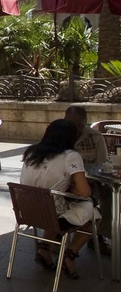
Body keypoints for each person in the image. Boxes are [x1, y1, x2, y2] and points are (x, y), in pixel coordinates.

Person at [20, 119, 101, 279]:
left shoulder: (31, 152)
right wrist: (74, 188)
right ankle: (70, 255)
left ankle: (44, 248)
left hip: (27, 211)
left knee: (54, 204)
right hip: (53, 214)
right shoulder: (70, 156)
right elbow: (84, 192)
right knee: (93, 214)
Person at [64, 105, 112, 255]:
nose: (75, 128)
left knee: (108, 196)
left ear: (85, 122)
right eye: (71, 124)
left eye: (79, 124)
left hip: (89, 181)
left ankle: (99, 235)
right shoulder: (58, 133)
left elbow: (102, 164)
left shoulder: (95, 137)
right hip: (63, 182)